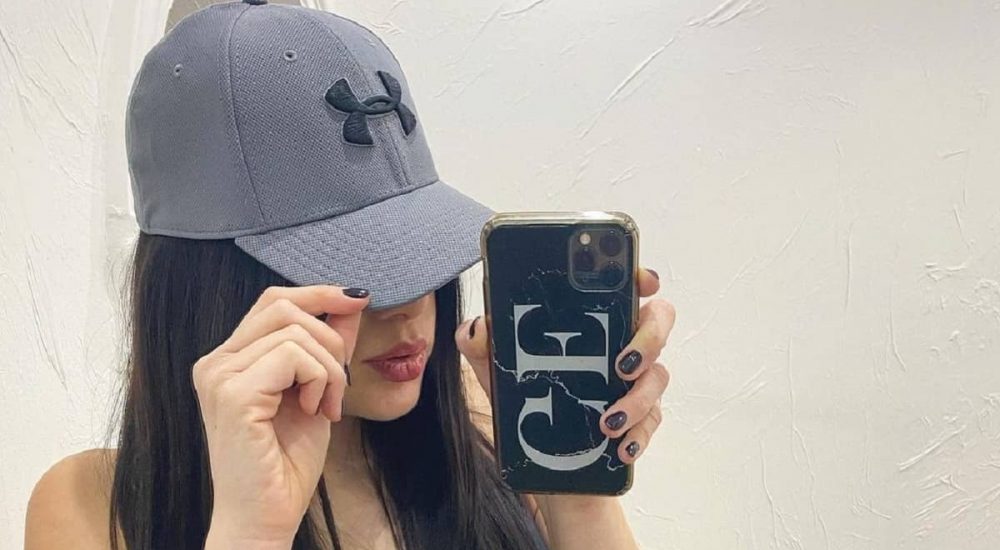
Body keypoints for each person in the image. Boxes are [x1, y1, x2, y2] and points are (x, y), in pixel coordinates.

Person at [24, 1, 676, 548]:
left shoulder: (485, 438)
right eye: (351, 270)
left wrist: (575, 490)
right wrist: (250, 531)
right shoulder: (90, 508)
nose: (411, 303)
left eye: (421, 250)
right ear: (206, 289)